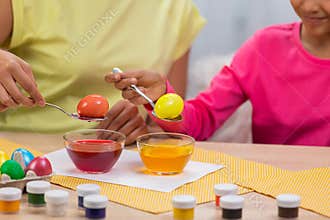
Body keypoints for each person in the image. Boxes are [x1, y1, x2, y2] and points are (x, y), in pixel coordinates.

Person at [106, 0, 330, 146]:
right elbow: (202, 120)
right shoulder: (264, 47)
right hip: (277, 189)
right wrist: (162, 98)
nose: (309, 6)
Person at [0, 0, 205, 144]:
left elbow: (170, 123)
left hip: (119, 163)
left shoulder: (177, 7)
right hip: (23, 154)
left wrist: (141, 130)